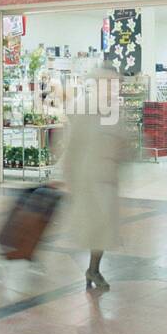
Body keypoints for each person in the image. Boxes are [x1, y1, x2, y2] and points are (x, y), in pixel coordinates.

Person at [63, 68, 124, 292]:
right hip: (87, 178)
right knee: (94, 227)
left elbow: (121, 142)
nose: (113, 88)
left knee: (103, 228)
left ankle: (93, 268)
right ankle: (93, 270)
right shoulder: (84, 108)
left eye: (115, 84)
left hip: (107, 178)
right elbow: (72, 145)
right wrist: (69, 177)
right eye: (109, 83)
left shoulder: (115, 110)